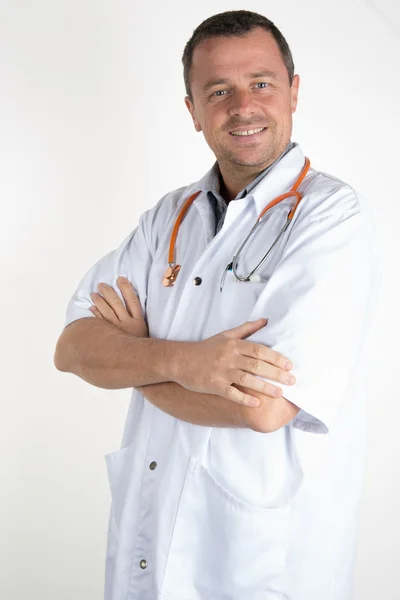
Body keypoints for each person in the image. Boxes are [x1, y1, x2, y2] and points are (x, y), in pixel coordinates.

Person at [54, 9, 379, 600]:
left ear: (293, 92)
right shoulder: (167, 218)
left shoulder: (331, 215)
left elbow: (265, 410)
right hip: (149, 548)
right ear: (193, 112)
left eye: (261, 83)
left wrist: (138, 359)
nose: (243, 106)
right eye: (218, 91)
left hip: (260, 562)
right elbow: (73, 348)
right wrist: (189, 364)